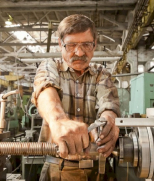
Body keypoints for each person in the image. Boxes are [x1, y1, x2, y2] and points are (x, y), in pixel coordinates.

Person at [31, 14, 120, 181]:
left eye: (86, 44)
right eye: (71, 45)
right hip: (57, 169)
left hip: (98, 169)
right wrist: (58, 120)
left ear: (94, 45)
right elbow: (44, 88)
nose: (79, 52)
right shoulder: (51, 67)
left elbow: (108, 104)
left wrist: (109, 122)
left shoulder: (102, 73)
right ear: (60, 44)